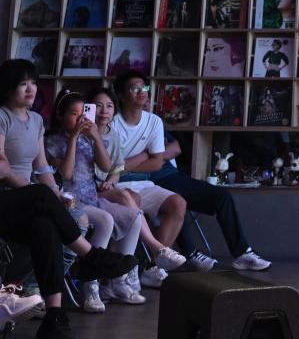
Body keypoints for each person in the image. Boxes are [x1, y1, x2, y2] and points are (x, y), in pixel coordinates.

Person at [0, 59, 136, 339]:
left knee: (45, 225)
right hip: (6, 199)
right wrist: (42, 193)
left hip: (29, 200)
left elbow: (42, 168)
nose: (31, 89)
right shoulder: (2, 117)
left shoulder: (35, 121)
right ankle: (90, 256)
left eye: (33, 83)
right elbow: (2, 169)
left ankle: (54, 316)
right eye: (23, 84)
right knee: (41, 196)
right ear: (8, 88)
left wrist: (56, 194)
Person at [113, 71, 271, 272]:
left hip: (169, 176)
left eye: (144, 88)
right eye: (134, 89)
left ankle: (242, 253)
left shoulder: (153, 122)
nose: (142, 93)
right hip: (143, 182)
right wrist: (146, 156)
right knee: (175, 202)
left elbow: (174, 148)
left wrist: (146, 158)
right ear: (121, 96)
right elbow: (115, 166)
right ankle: (188, 254)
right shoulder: (114, 124)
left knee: (220, 196)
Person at [45, 88, 145, 311]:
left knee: (134, 216)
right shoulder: (52, 141)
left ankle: (118, 281)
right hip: (70, 201)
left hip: (91, 199)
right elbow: (66, 174)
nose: (80, 119)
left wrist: (95, 137)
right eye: (74, 114)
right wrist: (73, 138)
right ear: (60, 115)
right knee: (105, 220)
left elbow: (106, 166)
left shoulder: (89, 139)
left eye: (83, 113)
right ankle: (90, 284)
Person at [87, 87, 187, 292]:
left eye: (109, 106)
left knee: (129, 201)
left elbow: (116, 168)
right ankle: (151, 253)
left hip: (106, 188)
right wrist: (142, 156)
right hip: (87, 190)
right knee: (127, 199)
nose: (104, 111)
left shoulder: (112, 135)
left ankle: (126, 272)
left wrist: (111, 180)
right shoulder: (82, 134)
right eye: (98, 106)